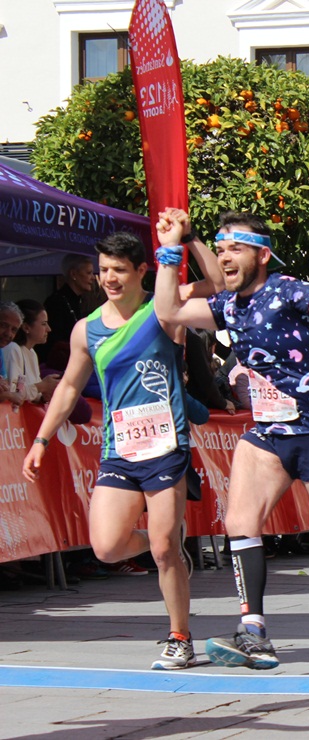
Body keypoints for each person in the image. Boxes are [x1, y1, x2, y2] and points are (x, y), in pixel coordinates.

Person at [152, 210, 309, 672]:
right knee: (240, 522)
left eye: (236, 248)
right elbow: (168, 310)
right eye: (221, 248)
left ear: (263, 254)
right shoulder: (227, 305)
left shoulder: (286, 288)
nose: (226, 256)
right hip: (268, 432)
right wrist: (175, 247)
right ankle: (253, 632)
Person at [22, 220, 223, 670]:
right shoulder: (85, 329)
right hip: (119, 450)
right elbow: (70, 388)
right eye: (103, 270)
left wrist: (189, 239)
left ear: (141, 272)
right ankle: (162, 542)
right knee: (107, 548)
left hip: (165, 447)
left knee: (164, 551)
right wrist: (41, 440)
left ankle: (180, 636)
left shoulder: (165, 311)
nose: (109, 278)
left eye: (119, 270)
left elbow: (219, 284)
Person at [2, 300, 60, 405]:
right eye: (44, 324)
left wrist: (44, 396)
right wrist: (42, 386)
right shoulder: (12, 349)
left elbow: (31, 394)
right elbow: (11, 393)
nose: (49, 329)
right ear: (26, 327)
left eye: (13, 329)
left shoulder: (32, 353)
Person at [41, 253, 97, 361]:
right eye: (89, 273)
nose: (93, 278)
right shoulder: (56, 302)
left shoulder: (76, 301)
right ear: (73, 274)